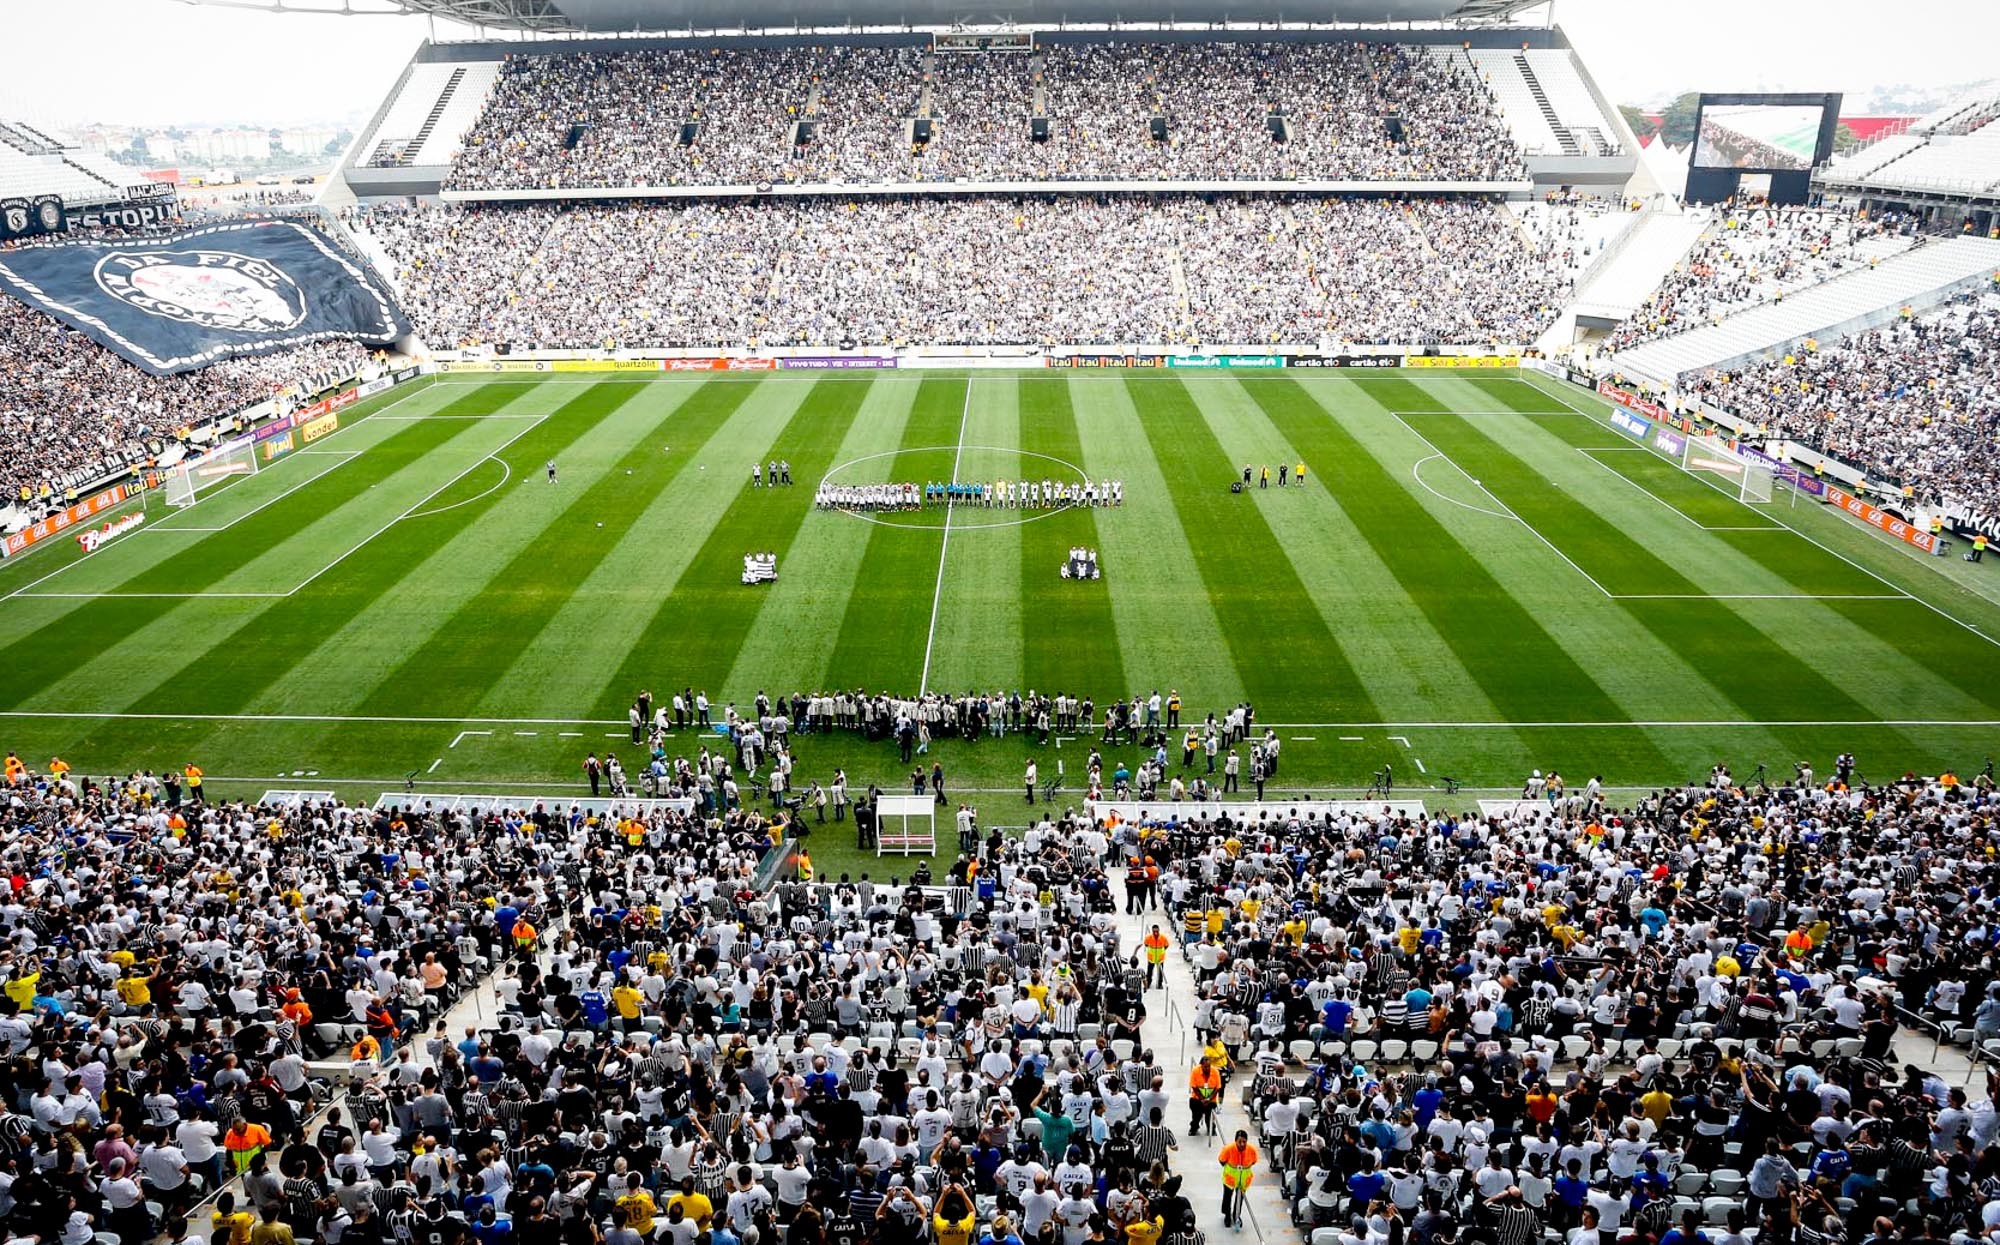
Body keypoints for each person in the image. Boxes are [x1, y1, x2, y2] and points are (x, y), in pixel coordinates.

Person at [1218, 1130, 1257, 1229]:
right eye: (1240, 1141)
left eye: (1244, 1141)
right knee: (1227, 1197)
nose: (1242, 1144)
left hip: (1243, 1180)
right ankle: (1227, 1215)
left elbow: (1254, 1161)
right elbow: (1221, 1160)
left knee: (1240, 1199)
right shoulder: (1228, 1149)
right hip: (1230, 1179)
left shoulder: (1251, 1150)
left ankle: (1236, 1215)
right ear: (1235, 1141)